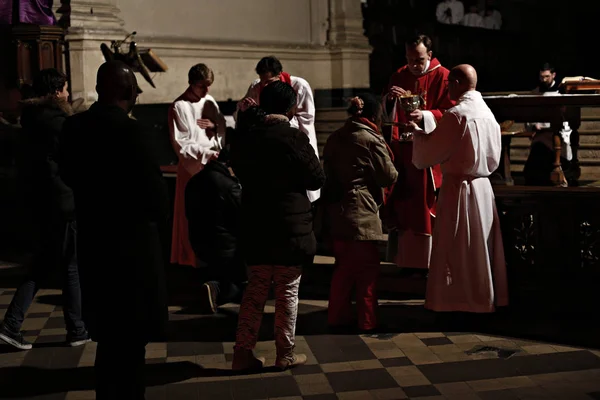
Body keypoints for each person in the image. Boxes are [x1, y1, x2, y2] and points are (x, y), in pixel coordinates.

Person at [59, 60, 169, 399]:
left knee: (107, 341)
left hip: (94, 242)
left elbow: (67, 175)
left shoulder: (74, 128)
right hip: (131, 253)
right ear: (127, 93)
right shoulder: (133, 132)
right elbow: (156, 197)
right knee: (131, 349)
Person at [230, 81, 325, 371]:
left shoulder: (247, 137)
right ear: (292, 107)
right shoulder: (292, 137)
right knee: (287, 291)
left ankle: (242, 353)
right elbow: (316, 178)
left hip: (256, 222)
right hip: (289, 225)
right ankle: (284, 353)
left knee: (255, 289)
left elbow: (239, 170)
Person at [407, 64, 508, 313]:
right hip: (483, 189)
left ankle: (458, 301)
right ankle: (482, 297)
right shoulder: (487, 113)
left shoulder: (457, 114)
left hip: (460, 189)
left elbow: (432, 152)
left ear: (455, 83)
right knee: (479, 248)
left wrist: (417, 135)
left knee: (458, 246)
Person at [0, 68, 89, 350]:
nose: (67, 93)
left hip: (41, 202)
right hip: (63, 202)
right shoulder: (58, 122)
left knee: (41, 265)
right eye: (63, 89)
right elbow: (74, 160)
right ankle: (77, 330)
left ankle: (11, 325)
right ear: (55, 92)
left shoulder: (31, 119)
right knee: (71, 267)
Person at [323, 94, 397, 332]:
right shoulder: (369, 138)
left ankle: (336, 317)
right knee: (367, 272)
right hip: (361, 211)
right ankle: (367, 322)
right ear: (374, 115)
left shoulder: (335, 137)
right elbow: (388, 176)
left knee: (343, 269)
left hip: (336, 209)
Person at [384, 34, 454, 273]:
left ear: (430, 55)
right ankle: (406, 261)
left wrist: (424, 116)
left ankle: (428, 262)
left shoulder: (444, 76)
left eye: (419, 59)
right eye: (410, 59)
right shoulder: (399, 75)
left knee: (424, 205)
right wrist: (390, 101)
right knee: (404, 205)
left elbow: (451, 112)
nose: (414, 64)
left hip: (430, 152)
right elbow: (386, 113)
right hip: (404, 151)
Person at [237, 55, 320, 202]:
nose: (266, 86)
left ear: (279, 75)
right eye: (263, 81)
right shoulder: (256, 86)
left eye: (269, 82)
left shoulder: (299, 85)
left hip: (293, 138)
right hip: (268, 139)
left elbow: (306, 119)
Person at [169, 63, 226, 268]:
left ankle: (211, 259)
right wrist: (207, 154)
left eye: (209, 86)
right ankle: (191, 259)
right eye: (202, 86)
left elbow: (220, 127)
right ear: (191, 84)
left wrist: (216, 126)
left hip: (213, 166)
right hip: (194, 169)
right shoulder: (179, 107)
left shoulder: (209, 100)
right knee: (192, 216)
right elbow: (182, 143)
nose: (207, 91)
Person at [185, 141, 245, 314]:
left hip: (198, 242)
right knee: (245, 286)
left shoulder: (194, 181)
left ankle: (215, 285)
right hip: (226, 247)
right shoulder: (229, 185)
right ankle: (217, 289)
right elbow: (242, 217)